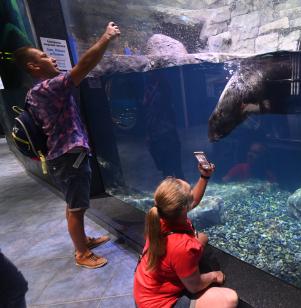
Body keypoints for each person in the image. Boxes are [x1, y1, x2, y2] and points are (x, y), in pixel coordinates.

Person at [13, 22, 121, 269]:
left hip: (64, 157)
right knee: (76, 207)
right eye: (43, 56)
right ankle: (82, 253)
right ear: (33, 66)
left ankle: (82, 240)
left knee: (75, 204)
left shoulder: (35, 92)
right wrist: (105, 37)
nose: (50, 57)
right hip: (67, 157)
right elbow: (83, 66)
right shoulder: (49, 87)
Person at [134, 163, 238, 308]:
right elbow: (195, 286)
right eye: (189, 191)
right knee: (229, 298)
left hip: (146, 289)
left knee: (202, 238)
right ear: (184, 208)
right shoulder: (182, 246)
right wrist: (214, 275)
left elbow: (192, 200)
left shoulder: (160, 217)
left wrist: (204, 176)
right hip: (157, 304)